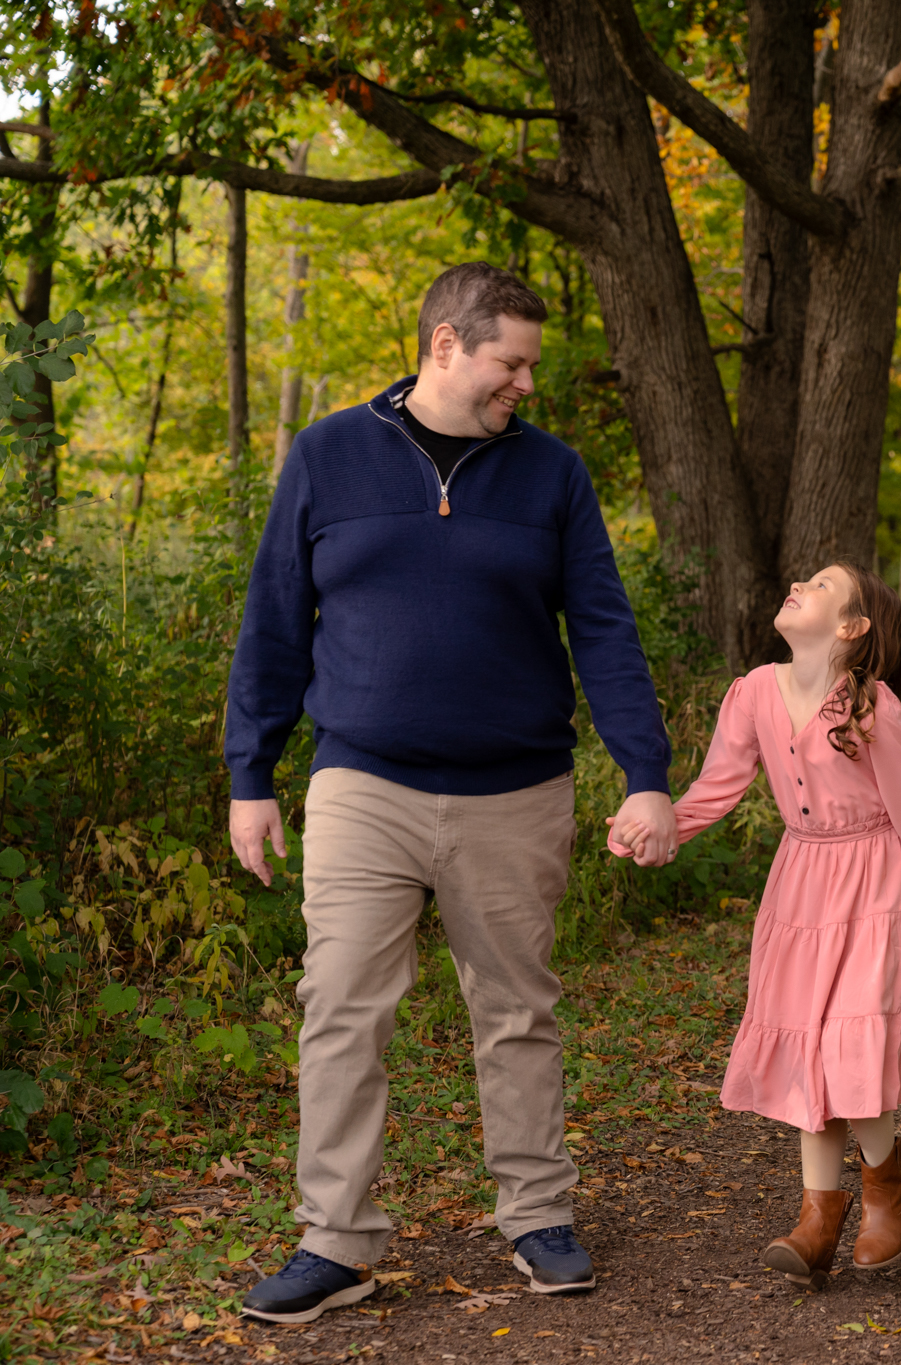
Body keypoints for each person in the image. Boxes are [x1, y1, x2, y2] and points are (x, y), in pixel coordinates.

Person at [224, 263, 679, 1324]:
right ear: (444, 344)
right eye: (508, 361)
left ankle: (536, 1216)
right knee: (339, 1009)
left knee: (517, 1011)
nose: (524, 381)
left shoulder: (551, 475)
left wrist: (646, 776)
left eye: (530, 363)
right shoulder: (330, 455)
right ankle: (335, 1243)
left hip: (515, 790)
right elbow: (276, 619)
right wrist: (253, 775)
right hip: (361, 784)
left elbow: (603, 629)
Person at [608, 563, 901, 1289]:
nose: (799, 581)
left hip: (878, 880)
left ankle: (884, 1184)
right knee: (809, 1050)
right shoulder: (753, 691)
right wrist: (663, 825)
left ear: (851, 627)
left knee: (849, 1041)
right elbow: (718, 784)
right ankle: (818, 1215)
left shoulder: (871, 708)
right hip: (802, 884)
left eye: (823, 584)